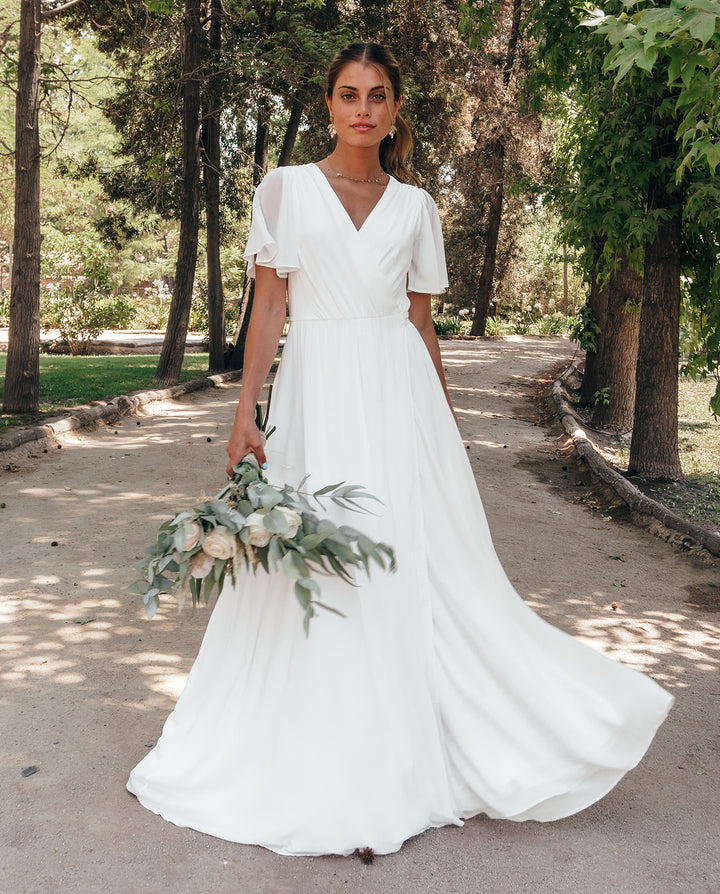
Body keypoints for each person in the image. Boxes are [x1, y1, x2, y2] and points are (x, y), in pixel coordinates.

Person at [127, 42, 674, 857]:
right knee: (322, 556)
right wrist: (246, 416)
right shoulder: (284, 190)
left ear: (393, 110)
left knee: (409, 557)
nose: (362, 109)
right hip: (316, 394)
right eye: (349, 94)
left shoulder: (416, 207)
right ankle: (326, 741)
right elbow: (268, 308)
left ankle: (427, 734)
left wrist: (444, 423)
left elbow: (420, 326)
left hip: (397, 398)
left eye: (377, 96)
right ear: (329, 103)